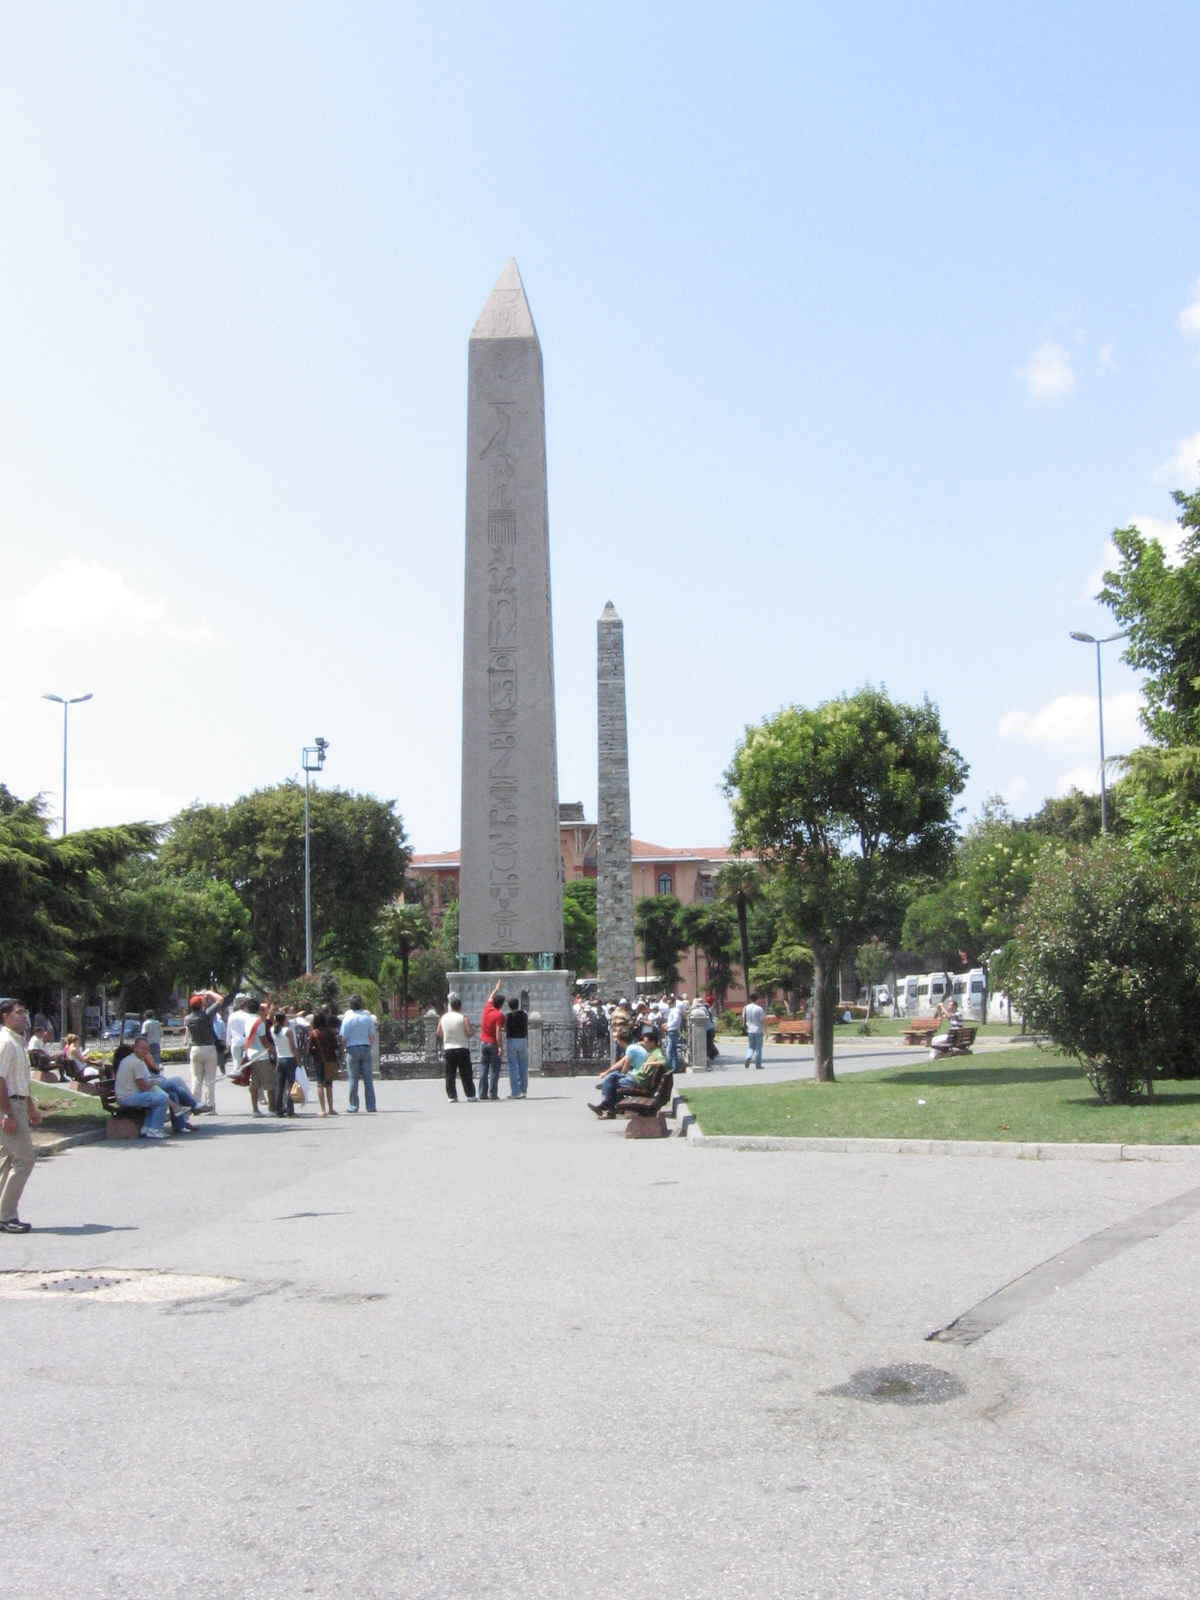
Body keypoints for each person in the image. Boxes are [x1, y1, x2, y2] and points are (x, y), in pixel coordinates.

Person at [0, 999, 43, 1231]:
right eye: (18, 1012)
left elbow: (20, 1081)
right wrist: (7, 1114)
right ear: (5, 1016)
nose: (24, 1016)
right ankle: (6, 1215)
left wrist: (31, 1108)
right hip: (7, 1107)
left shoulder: (17, 1042)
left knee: (6, 1160)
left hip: (17, 1104)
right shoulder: (5, 1042)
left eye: (25, 1012)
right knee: (24, 1160)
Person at [589, 1024, 663, 1118]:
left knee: (612, 1081)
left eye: (616, 1039)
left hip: (637, 1079)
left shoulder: (631, 1049)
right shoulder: (634, 1047)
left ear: (620, 1040)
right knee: (612, 1077)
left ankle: (606, 1106)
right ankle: (608, 1103)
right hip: (639, 1076)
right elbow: (621, 1062)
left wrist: (620, 1075)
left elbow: (625, 1066)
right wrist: (608, 1072)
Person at [113, 1039, 172, 1140]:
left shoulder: (130, 1059)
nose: (145, 1051)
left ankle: (147, 1128)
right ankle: (154, 1129)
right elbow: (143, 1087)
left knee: (157, 1098)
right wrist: (154, 1083)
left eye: (147, 1049)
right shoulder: (136, 1062)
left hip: (125, 1096)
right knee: (163, 1098)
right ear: (134, 1048)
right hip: (128, 1098)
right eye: (142, 1048)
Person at [185, 990, 224, 1113]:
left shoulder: (187, 1019)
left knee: (196, 1080)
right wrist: (208, 992)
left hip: (195, 1048)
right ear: (202, 1005)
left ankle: (195, 1105)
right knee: (210, 1079)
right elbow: (220, 999)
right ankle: (210, 1106)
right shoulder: (207, 1015)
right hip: (208, 1048)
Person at [339, 994, 377, 1113]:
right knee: (368, 1079)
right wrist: (369, 1046)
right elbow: (372, 1036)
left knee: (353, 1079)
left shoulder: (347, 1019)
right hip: (365, 1047)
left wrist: (346, 1048)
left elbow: (343, 1038)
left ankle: (353, 1106)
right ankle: (371, 1106)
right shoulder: (367, 1018)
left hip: (352, 1048)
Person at [437, 993, 475, 1101]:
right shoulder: (463, 1017)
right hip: (462, 1047)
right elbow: (469, 1031)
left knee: (450, 1073)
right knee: (466, 1073)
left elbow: (439, 1032)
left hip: (449, 1048)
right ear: (460, 1007)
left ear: (450, 1006)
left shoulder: (443, 1018)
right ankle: (470, 1095)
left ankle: (452, 1096)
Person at [242, 1003, 276, 1116]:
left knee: (255, 1084)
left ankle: (255, 1109)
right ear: (258, 1009)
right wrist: (272, 1051)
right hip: (261, 1055)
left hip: (251, 1054)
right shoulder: (259, 1023)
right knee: (270, 1082)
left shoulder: (247, 1021)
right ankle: (272, 1109)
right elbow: (263, 1040)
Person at [306, 1011, 339, 1115]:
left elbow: (309, 1049)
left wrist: (315, 1053)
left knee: (320, 1084)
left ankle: (322, 1109)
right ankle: (331, 1108)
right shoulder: (330, 1032)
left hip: (318, 1060)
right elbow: (336, 1046)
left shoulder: (314, 1033)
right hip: (330, 1060)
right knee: (329, 1084)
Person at [478, 981, 506, 1101]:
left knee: (483, 1067)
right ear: (501, 1005)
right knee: (494, 1069)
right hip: (493, 1043)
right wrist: (500, 1046)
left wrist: (496, 988)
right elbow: (498, 1031)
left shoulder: (487, 1008)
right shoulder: (499, 1015)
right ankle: (492, 1093)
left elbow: (490, 997)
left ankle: (482, 1093)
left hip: (483, 1042)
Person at [271, 1011, 300, 1117]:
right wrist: (298, 1060)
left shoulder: (273, 1030)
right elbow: (292, 1047)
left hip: (280, 1058)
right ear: (284, 1020)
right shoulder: (287, 1030)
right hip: (289, 1059)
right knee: (291, 1085)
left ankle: (278, 1109)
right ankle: (290, 1109)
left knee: (280, 1085)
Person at [505, 995, 529, 1099]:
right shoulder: (524, 1015)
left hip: (512, 1040)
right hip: (523, 1040)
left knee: (513, 1066)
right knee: (523, 1066)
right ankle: (523, 1090)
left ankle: (515, 1091)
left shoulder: (509, 1016)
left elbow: (506, 1028)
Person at [743, 992, 766, 1071]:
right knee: (758, 1048)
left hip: (750, 1030)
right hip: (758, 1030)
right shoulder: (759, 1009)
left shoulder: (746, 1008)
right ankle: (758, 1064)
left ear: (750, 999)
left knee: (751, 1047)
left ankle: (748, 1057)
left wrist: (744, 1027)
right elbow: (762, 1020)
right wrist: (765, 1031)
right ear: (757, 999)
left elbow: (744, 1019)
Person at [665, 994, 685, 1075]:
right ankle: (676, 1067)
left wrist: (668, 1026)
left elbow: (676, 1020)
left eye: (669, 1003)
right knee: (673, 1051)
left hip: (673, 1031)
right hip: (671, 1031)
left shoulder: (675, 1011)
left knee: (669, 1051)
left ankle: (670, 1067)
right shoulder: (672, 1011)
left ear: (673, 1002)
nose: (668, 1005)